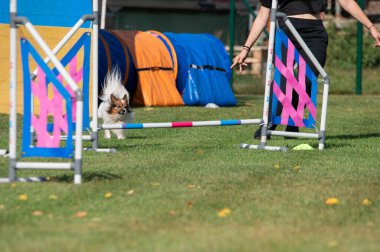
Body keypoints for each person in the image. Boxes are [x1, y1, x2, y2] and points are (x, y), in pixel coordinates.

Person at [230, 0, 380, 139]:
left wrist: (372, 28)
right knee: (284, 81)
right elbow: (263, 16)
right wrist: (245, 49)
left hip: (315, 33)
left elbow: (346, 2)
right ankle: (269, 122)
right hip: (285, 30)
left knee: (307, 79)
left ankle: (292, 121)